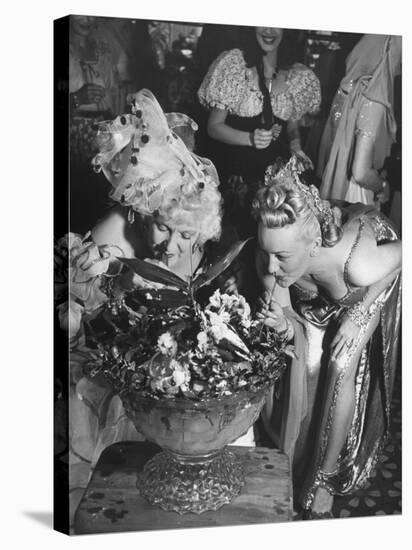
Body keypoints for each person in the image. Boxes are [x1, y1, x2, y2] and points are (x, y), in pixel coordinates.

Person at [64, 89, 251, 526]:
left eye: (185, 236)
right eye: (163, 229)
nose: (174, 246)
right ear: (146, 214)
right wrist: (103, 279)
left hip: (182, 372)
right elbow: (83, 303)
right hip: (122, 372)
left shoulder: (197, 224)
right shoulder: (119, 232)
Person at [253, 156, 401, 518]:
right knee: (310, 361)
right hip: (321, 274)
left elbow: (405, 253)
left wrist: (362, 311)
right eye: (267, 252)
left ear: (312, 245)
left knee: (341, 362)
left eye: (282, 257)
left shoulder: (358, 262)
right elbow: (292, 329)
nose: (271, 267)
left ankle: (327, 478)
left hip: (374, 274)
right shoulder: (271, 258)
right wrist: (282, 325)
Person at [197, 26, 321, 236]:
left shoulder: (296, 75)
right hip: (235, 179)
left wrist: (296, 146)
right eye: (262, 22)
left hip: (275, 182)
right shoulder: (234, 65)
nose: (269, 30)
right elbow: (213, 127)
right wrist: (250, 138)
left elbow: (292, 124)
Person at [317, 34, 401, 206]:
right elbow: (361, 172)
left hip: (335, 185)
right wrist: (382, 186)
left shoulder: (347, 89)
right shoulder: (375, 100)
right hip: (356, 196)